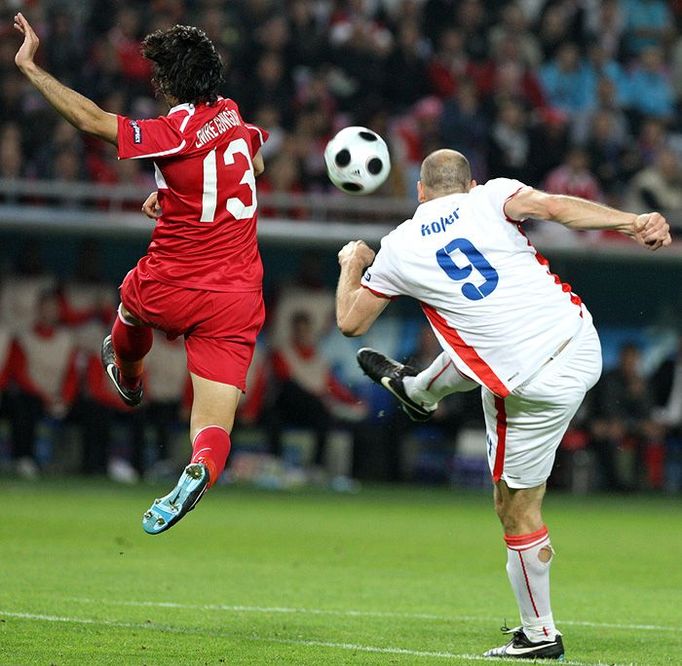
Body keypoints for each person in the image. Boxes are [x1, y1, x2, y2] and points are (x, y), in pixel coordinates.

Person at [335, 149, 670, 659]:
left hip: (530, 387)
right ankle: (419, 390)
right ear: (472, 182)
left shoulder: (399, 247)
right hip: (581, 344)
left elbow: (351, 323)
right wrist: (632, 222)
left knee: (515, 508)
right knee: (476, 337)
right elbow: (556, 207)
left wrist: (352, 264)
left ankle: (539, 636)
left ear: (419, 193)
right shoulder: (493, 197)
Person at [13, 13, 268, 534]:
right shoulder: (233, 115)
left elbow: (89, 119)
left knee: (130, 303)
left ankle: (128, 377)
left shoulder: (172, 131)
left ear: (165, 82)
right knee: (214, 423)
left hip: (175, 279)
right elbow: (252, 168)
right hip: (239, 293)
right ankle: (198, 468)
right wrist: (178, 192)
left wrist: (31, 69)